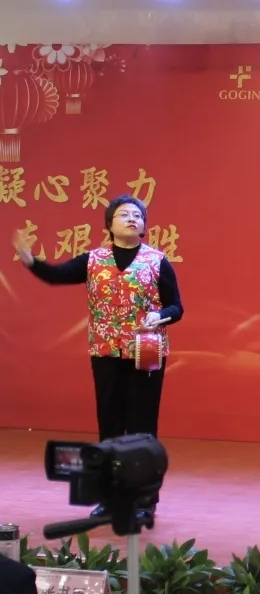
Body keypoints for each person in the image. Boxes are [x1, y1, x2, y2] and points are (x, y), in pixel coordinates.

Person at [12, 194, 184, 518]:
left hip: (145, 353)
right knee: (110, 424)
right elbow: (56, 275)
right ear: (109, 224)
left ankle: (144, 500)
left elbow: (177, 307)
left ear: (144, 226)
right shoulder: (92, 260)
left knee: (142, 429)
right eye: (124, 214)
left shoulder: (157, 261)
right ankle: (111, 497)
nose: (132, 219)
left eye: (137, 215)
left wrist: (159, 315)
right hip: (105, 352)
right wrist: (30, 260)